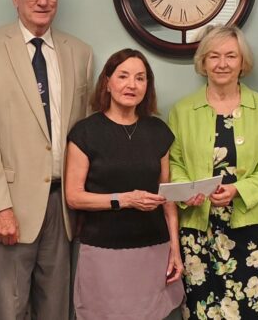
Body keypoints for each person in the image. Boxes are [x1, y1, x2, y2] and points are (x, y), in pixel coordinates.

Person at [0, 0, 94, 319]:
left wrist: (80, 201)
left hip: (62, 207)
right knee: (10, 311)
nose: (43, 0)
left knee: (56, 311)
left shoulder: (80, 53)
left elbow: (83, 137)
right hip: (10, 206)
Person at [168, 25, 258, 319]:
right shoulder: (182, 111)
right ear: (203, 62)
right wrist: (188, 191)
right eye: (214, 56)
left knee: (253, 312)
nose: (222, 64)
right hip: (198, 232)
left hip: (253, 232)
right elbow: (174, 162)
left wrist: (238, 190)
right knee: (202, 312)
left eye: (231, 56)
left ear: (242, 62)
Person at [65, 49, 184, 319]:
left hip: (153, 250)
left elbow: (168, 200)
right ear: (108, 82)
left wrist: (174, 251)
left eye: (140, 78)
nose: (132, 84)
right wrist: (125, 199)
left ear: (147, 86)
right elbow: (74, 197)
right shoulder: (85, 132)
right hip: (103, 251)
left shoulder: (158, 132)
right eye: (123, 76)